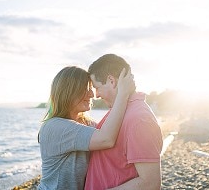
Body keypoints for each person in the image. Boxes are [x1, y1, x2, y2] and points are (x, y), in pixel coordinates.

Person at [37, 66, 134, 190]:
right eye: (85, 88)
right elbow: (106, 139)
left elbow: (114, 132)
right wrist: (122, 94)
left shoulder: (86, 123)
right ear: (68, 91)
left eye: (91, 88)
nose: (91, 94)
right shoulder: (54, 126)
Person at [85, 54, 163, 190]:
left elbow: (150, 183)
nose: (96, 95)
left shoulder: (138, 119)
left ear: (111, 81)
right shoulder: (120, 110)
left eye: (97, 87)